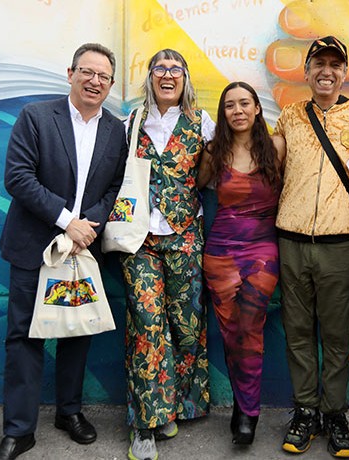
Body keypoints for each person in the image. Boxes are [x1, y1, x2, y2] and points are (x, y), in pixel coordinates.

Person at [0, 43, 128, 460]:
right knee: (22, 337)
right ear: (70, 73)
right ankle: (19, 430)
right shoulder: (35, 117)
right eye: (87, 72)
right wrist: (67, 220)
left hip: (83, 250)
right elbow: (17, 177)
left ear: (111, 84)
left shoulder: (116, 130)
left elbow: (115, 187)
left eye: (103, 76)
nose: (94, 81)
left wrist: (88, 226)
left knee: (78, 331)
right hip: (35, 246)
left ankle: (69, 412)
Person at [273, 36, 349, 458]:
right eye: (319, 62)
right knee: (298, 333)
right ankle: (305, 411)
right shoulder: (288, 116)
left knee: (337, 336)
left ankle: (335, 413)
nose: (327, 71)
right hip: (292, 239)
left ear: (344, 72)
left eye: (336, 64)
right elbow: (260, 157)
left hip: (341, 243)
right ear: (306, 70)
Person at [121, 48, 215, 460]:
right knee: (146, 324)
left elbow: (230, 162)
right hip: (138, 239)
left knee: (187, 325)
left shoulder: (202, 122)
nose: (168, 74)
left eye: (176, 69)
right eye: (161, 67)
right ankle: (146, 424)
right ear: (150, 77)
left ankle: (178, 404)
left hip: (185, 237)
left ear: (185, 79)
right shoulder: (131, 120)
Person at [197, 81, 286, 445]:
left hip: (263, 251)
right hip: (220, 252)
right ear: (223, 113)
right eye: (230, 105)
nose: (238, 111)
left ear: (257, 109)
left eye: (245, 103)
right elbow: (194, 186)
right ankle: (241, 404)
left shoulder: (277, 146)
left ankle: (249, 412)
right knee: (231, 331)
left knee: (249, 326)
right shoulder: (214, 151)